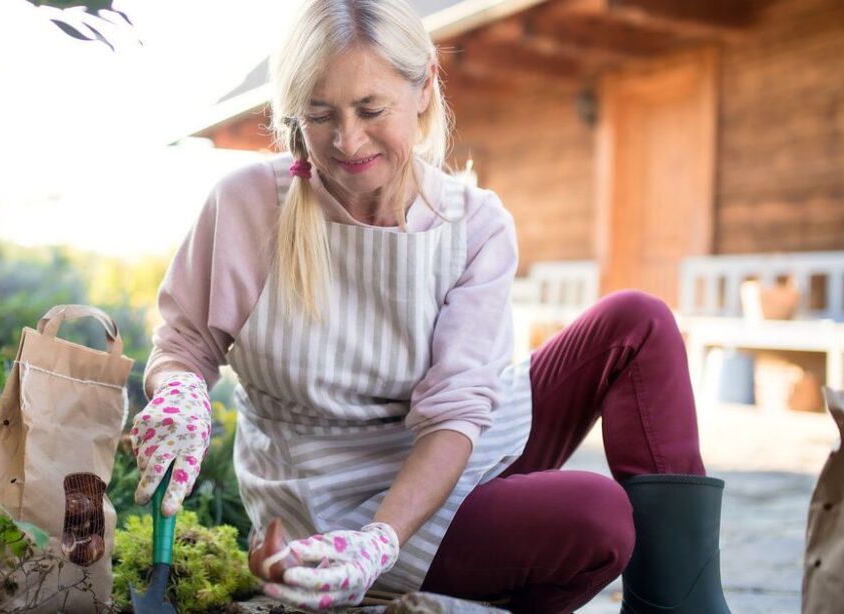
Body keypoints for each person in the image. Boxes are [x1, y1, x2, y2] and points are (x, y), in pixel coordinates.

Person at [130, 1, 731, 612]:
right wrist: (180, 392)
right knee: (597, 517)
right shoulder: (250, 204)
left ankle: (684, 608)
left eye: (371, 110)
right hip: (333, 503)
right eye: (319, 115)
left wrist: (382, 541)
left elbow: (456, 413)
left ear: (424, 88)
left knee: (638, 321)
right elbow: (184, 346)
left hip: (445, 456)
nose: (347, 140)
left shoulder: (473, 223)